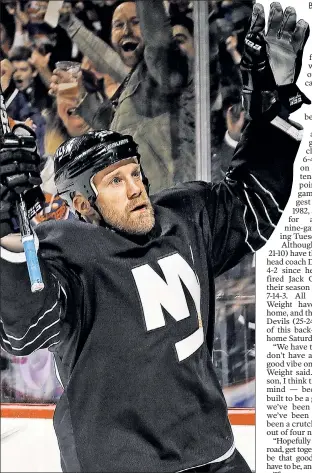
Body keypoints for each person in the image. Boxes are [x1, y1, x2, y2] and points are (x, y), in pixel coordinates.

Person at [0, 4, 310, 472]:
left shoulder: (181, 218)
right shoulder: (68, 256)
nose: (136, 188)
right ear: (82, 204)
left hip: (214, 455)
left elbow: (253, 201)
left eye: (134, 173)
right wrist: (5, 232)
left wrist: (273, 98)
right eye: (114, 181)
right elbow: (24, 329)